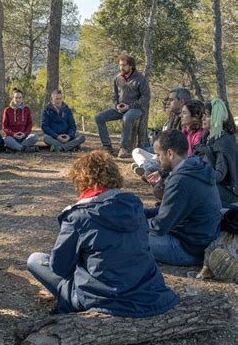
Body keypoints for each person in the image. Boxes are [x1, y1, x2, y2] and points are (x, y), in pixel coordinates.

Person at [26, 150, 179, 316]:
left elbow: (59, 267)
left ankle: (70, 297)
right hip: (146, 291)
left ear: (81, 180)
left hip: (101, 297)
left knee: (35, 260)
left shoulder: (77, 216)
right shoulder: (134, 205)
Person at [145, 130, 222, 266]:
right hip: (201, 242)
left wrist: (132, 220)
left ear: (170, 153)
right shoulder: (196, 166)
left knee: (127, 235)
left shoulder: (181, 180)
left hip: (189, 250)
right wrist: (142, 212)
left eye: (158, 155)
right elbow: (169, 210)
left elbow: (159, 227)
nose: (156, 159)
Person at [95, 55, 150, 158]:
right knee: (99, 117)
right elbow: (114, 95)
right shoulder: (117, 78)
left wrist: (129, 106)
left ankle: (123, 148)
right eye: (120, 65)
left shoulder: (140, 79)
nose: (121, 67)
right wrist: (116, 105)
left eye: (124, 65)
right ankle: (107, 147)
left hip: (136, 109)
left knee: (127, 117)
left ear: (131, 66)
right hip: (120, 108)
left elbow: (146, 98)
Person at [198, 99, 238, 205]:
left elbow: (219, 175)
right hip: (212, 185)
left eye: (207, 115)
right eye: (203, 114)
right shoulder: (206, 137)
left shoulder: (224, 141)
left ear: (217, 116)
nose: (202, 118)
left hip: (228, 192)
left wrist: (196, 174)